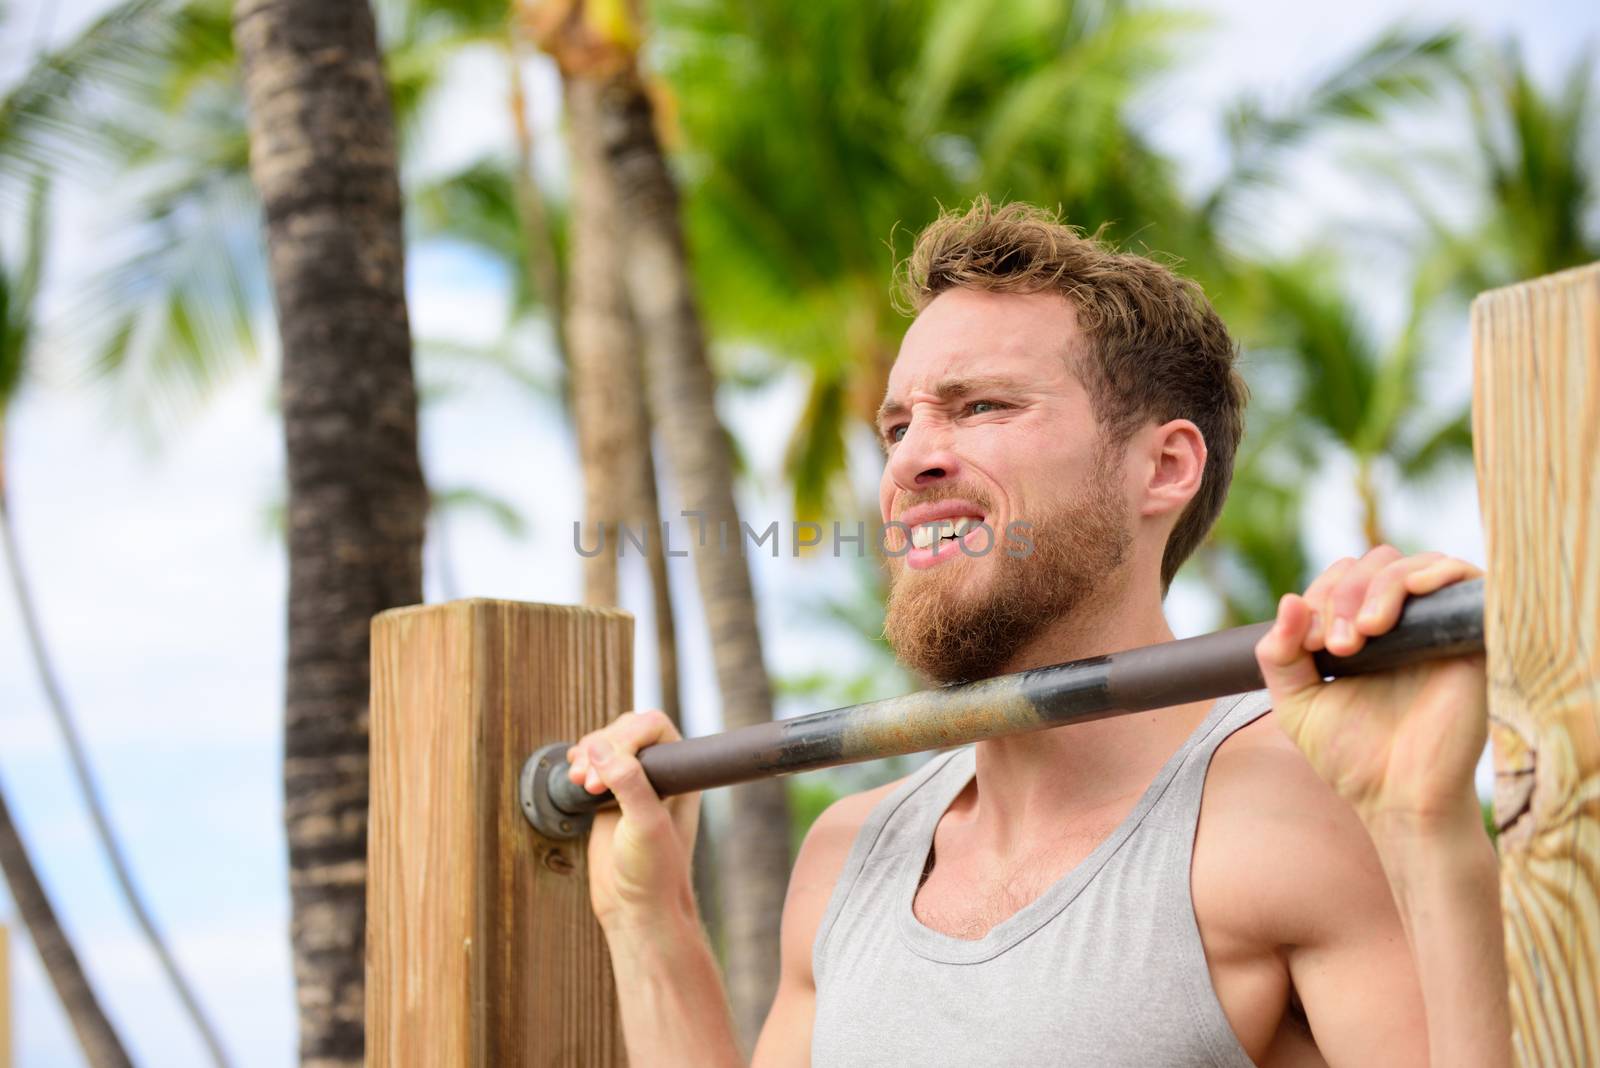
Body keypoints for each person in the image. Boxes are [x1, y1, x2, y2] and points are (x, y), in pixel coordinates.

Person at [563, 199, 1510, 1066]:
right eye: (898, 427)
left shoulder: (1291, 812)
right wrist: (649, 916)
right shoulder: (851, 853)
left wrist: (1422, 828)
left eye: (982, 406)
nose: (912, 463)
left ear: (1163, 468)